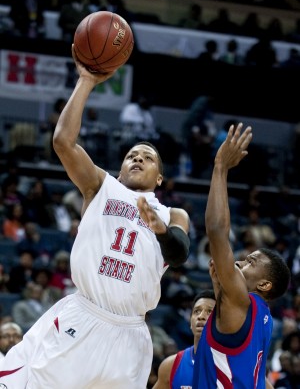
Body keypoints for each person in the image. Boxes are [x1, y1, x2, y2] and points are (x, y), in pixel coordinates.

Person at [0, 46, 190, 389]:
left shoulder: (173, 213)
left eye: (147, 157)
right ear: (120, 167)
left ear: (160, 178)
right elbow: (63, 142)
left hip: (131, 333)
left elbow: (179, 254)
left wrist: (161, 229)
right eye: (132, 155)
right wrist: (87, 80)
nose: (137, 158)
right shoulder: (102, 186)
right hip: (84, 315)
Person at [193, 123, 291, 388]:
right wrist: (220, 290)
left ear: (264, 285)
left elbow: (216, 231)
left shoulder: (242, 301)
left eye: (250, 262)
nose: (239, 261)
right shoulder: (264, 319)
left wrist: (220, 168)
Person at [153, 289, 216, 389]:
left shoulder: (233, 365)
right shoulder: (171, 366)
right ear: (190, 323)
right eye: (197, 311)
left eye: (209, 311)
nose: (201, 316)